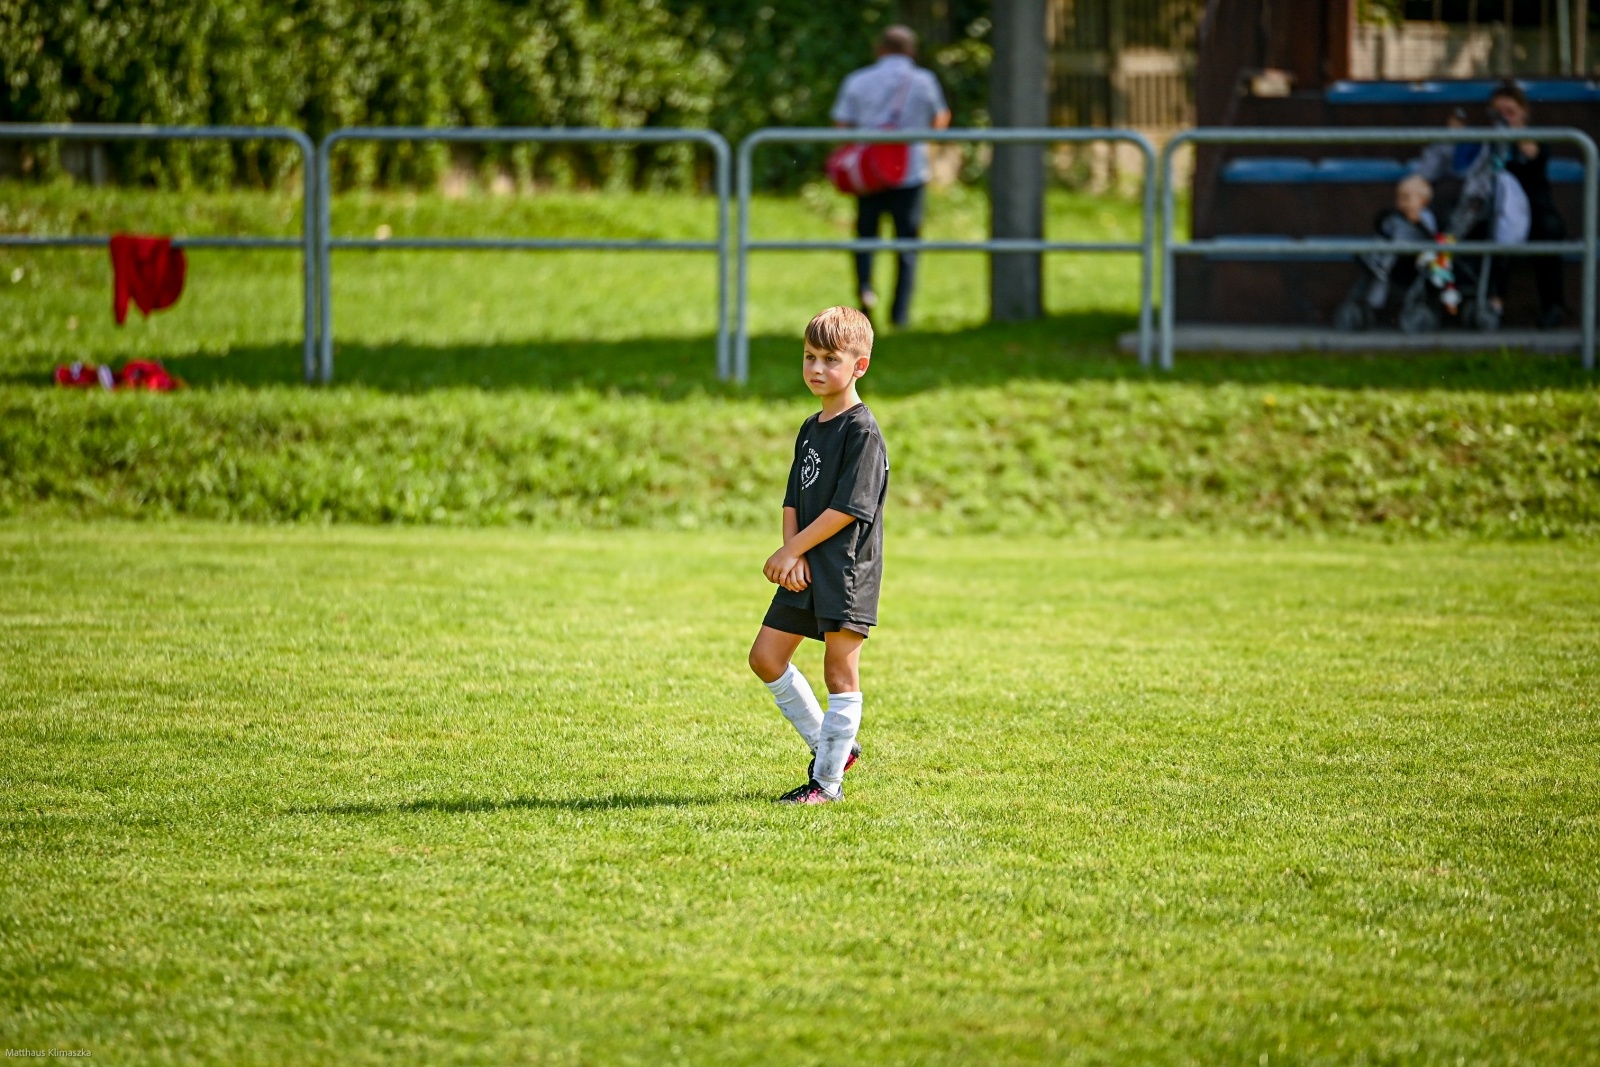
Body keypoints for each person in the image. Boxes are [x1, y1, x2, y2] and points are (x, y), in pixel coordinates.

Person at [747, 306, 888, 805]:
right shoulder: (811, 426)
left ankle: (826, 785)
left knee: (838, 672)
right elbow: (794, 498)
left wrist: (793, 548)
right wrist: (792, 556)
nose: (816, 368)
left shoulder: (862, 431)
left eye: (830, 359)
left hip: (845, 570)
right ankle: (835, 748)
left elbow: (848, 509)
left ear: (859, 366)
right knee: (765, 658)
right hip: (806, 565)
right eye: (809, 357)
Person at [831, 25, 951, 327]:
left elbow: (841, 125)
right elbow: (941, 118)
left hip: (868, 175)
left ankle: (865, 292)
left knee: (865, 238)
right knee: (907, 245)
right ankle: (900, 315)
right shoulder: (925, 80)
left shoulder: (858, 80)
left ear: (879, 49)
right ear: (911, 51)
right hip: (909, 173)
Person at [1487, 81, 1569, 328]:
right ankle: (1492, 307)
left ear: (1523, 111)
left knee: (1550, 230)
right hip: (1498, 211)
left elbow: (1532, 153)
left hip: (1535, 212)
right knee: (1490, 228)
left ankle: (1553, 308)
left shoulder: (1535, 139)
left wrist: (1512, 130)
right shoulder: (1487, 142)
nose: (1504, 119)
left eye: (1509, 112)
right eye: (1498, 114)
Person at [1333, 174, 1440, 332]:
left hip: (1409, 262)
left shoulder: (1426, 219)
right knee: (1381, 247)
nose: (1401, 202)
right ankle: (1376, 271)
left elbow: (1431, 236)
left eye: (1406, 198)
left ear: (1423, 201)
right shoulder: (1396, 218)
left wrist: (1417, 221)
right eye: (1399, 198)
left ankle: (1380, 269)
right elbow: (1384, 230)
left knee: (1392, 254)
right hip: (1389, 257)